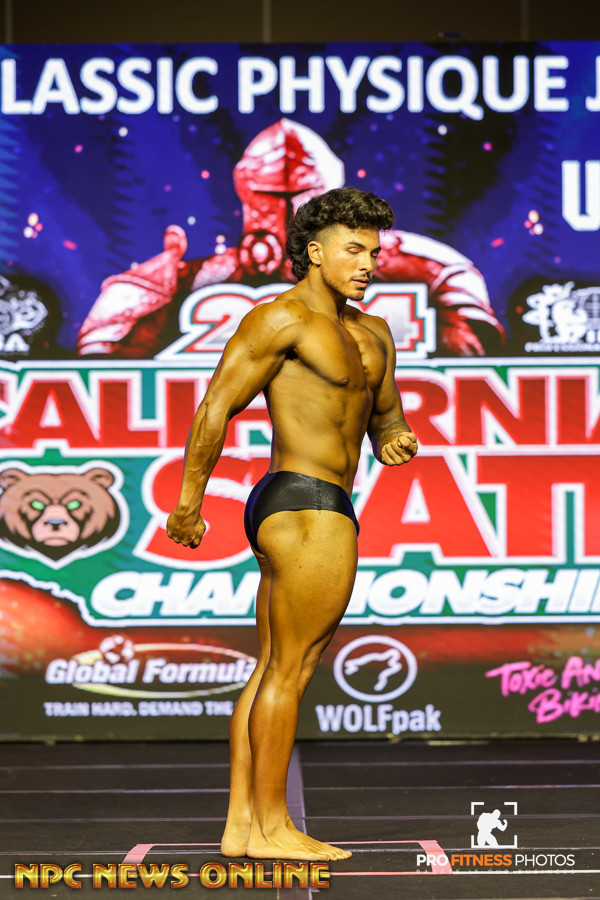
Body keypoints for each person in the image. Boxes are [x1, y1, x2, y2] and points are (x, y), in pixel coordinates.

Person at [166, 187, 418, 861]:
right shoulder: (280, 319)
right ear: (314, 251)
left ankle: (242, 825)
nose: (368, 263)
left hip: (315, 501)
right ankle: (275, 829)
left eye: (374, 251)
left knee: (271, 669)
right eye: (353, 250)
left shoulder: (373, 332)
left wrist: (394, 438)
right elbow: (216, 406)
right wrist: (189, 502)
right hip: (304, 502)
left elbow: (386, 416)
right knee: (292, 671)